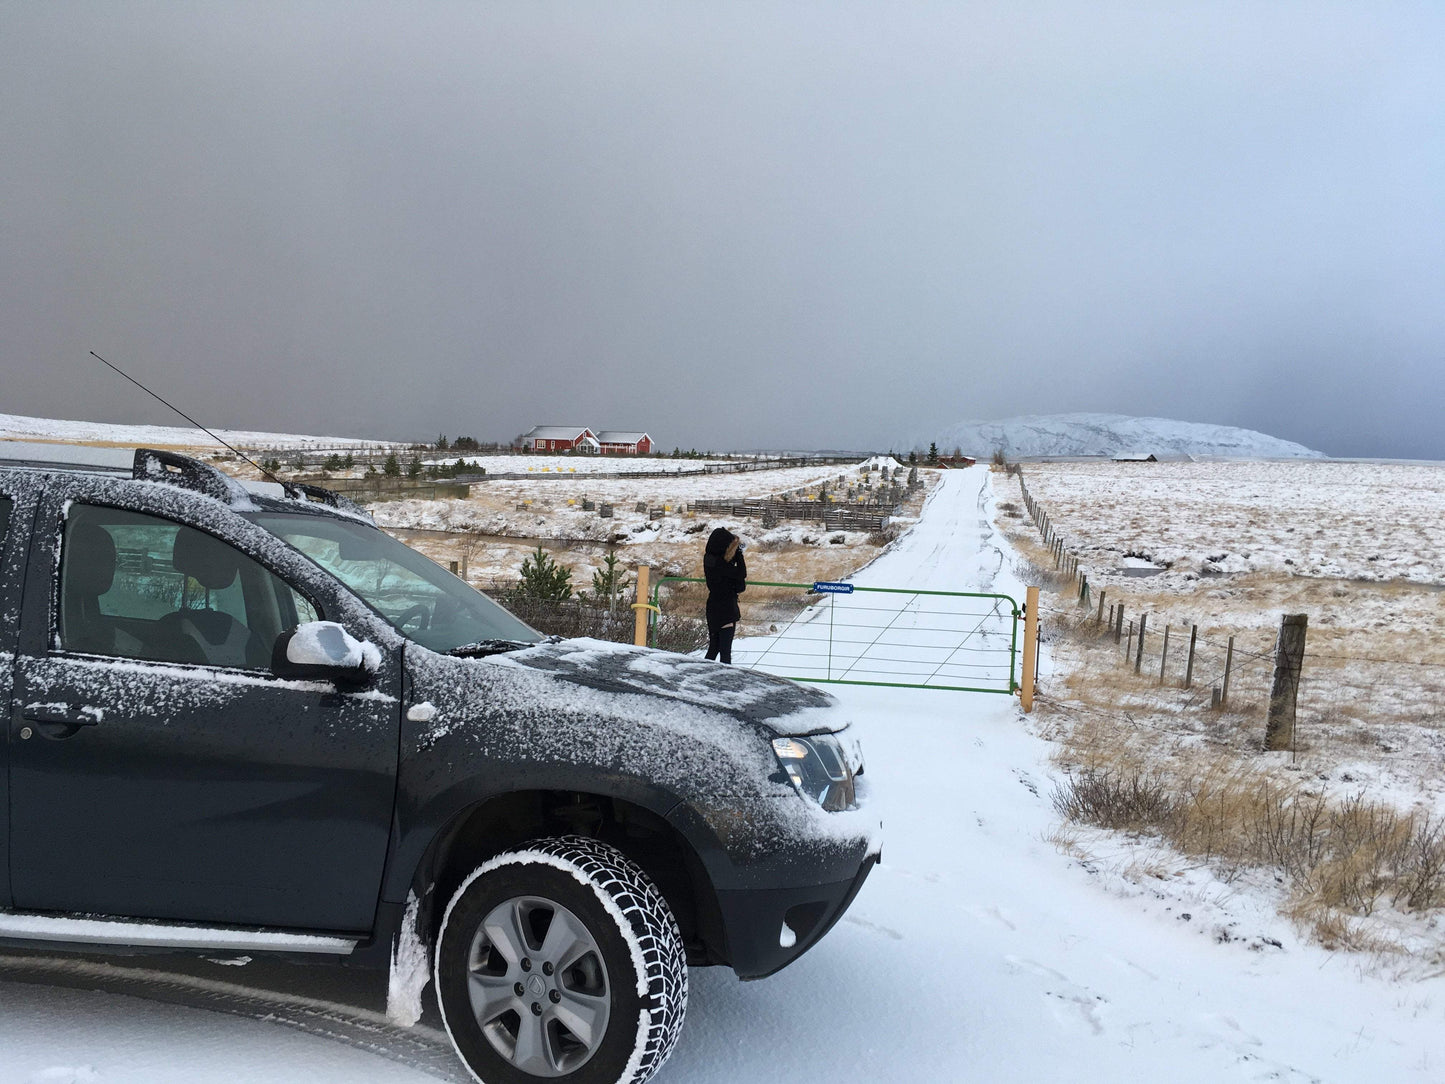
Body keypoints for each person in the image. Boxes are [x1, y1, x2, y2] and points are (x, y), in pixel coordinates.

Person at [703, 526, 746, 664]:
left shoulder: (709, 559)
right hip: (726, 607)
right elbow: (741, 575)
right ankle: (725, 682)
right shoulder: (721, 564)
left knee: (713, 648)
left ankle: (701, 675)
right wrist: (739, 554)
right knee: (725, 652)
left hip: (713, 607)